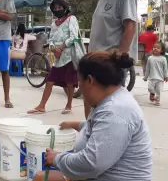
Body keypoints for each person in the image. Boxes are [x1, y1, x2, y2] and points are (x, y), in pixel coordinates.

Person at [35, 50, 152, 181]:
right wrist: (77, 125)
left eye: (80, 82)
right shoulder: (113, 98)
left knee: (41, 178)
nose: (80, 89)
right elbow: (101, 128)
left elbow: (91, 164)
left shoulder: (115, 111)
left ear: (90, 81)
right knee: (40, 177)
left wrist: (56, 159)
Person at [86, 0, 138, 117]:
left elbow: (130, 26)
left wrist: (119, 58)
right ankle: (91, 135)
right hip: (96, 61)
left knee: (108, 111)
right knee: (92, 106)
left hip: (109, 64)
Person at [27, 0, 79, 115]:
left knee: (70, 83)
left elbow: (74, 37)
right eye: (55, 8)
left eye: (60, 7)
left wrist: (61, 48)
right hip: (57, 58)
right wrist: (53, 48)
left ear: (65, 8)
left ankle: (69, 105)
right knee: (49, 81)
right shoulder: (54, 24)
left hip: (69, 56)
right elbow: (50, 39)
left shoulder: (71, 19)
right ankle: (41, 106)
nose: (57, 10)